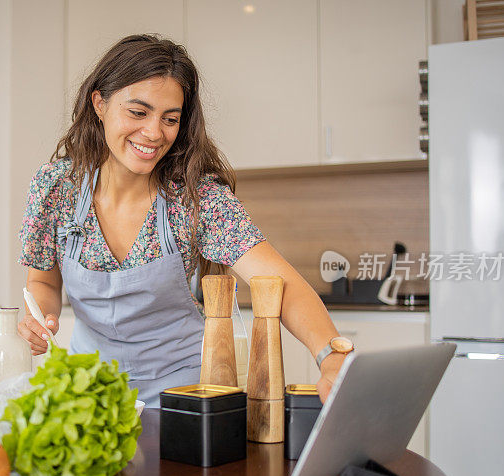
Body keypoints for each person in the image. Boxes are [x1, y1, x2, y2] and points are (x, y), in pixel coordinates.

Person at [18, 34, 351, 408]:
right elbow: (42, 281)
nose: (154, 132)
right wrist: (41, 319)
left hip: (182, 396)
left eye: (170, 118)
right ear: (100, 103)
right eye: (138, 112)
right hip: (85, 392)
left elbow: (279, 283)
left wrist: (332, 356)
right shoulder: (56, 187)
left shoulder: (196, 199)